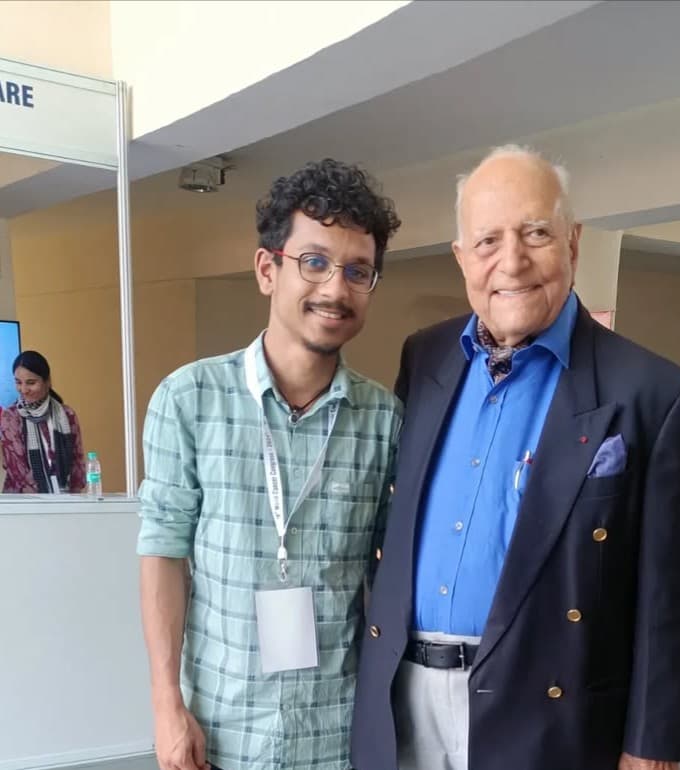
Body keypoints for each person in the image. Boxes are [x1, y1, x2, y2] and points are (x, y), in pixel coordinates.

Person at [352, 145, 680, 770]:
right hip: (402, 701)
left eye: (535, 233)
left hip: (544, 711)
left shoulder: (652, 392)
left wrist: (651, 746)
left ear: (572, 243)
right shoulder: (424, 359)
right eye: (487, 241)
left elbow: (667, 595)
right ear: (462, 258)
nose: (510, 261)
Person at [137, 159, 402, 770]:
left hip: (337, 731)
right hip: (224, 728)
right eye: (314, 262)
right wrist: (165, 704)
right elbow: (162, 555)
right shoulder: (189, 399)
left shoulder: (385, 420)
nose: (335, 289)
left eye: (357, 271)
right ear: (267, 269)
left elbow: (388, 582)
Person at [0, 350, 85, 493]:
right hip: (24, 502)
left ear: (48, 381)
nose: (24, 389)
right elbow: (18, 471)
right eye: (18, 382)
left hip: (64, 500)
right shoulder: (11, 417)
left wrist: (71, 502)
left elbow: (77, 463)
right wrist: (47, 504)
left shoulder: (67, 414)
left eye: (31, 383)